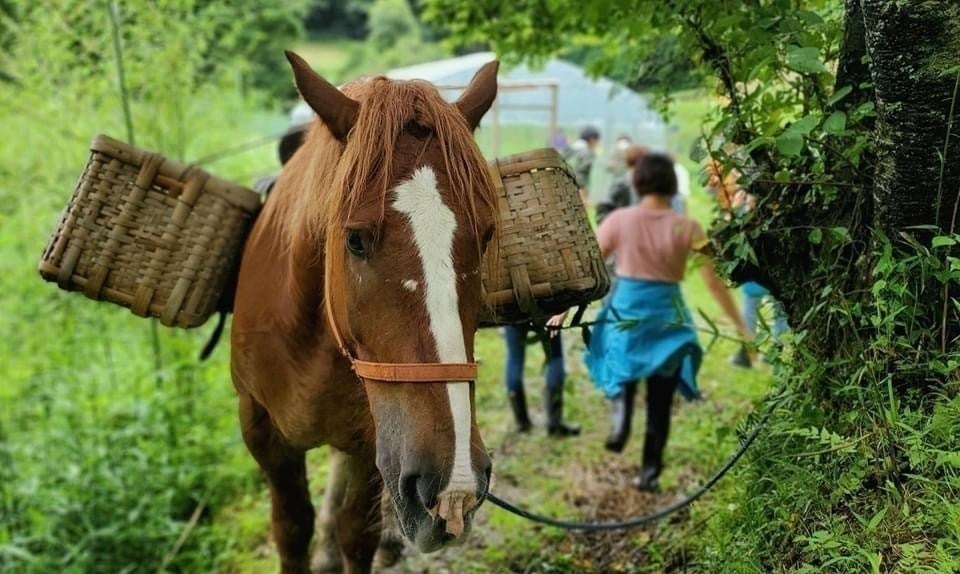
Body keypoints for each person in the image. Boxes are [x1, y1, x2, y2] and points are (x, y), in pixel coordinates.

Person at [548, 153, 752, 491]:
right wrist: (741, 325)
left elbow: (591, 274)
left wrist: (565, 309)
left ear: (637, 183)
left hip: (627, 308)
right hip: (667, 314)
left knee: (621, 365)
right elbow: (715, 283)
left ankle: (621, 422)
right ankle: (649, 473)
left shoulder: (618, 221)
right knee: (660, 398)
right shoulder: (688, 227)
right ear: (672, 186)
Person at [705, 159, 789, 367]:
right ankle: (775, 350)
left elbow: (725, 234)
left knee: (756, 307)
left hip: (757, 271)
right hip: (770, 271)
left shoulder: (743, 207)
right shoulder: (773, 207)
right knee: (776, 308)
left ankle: (753, 350)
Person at [503, 323, 580, 437]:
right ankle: (554, 425)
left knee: (515, 358)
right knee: (555, 356)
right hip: (544, 311)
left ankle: (522, 423)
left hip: (511, 310)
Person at [564, 126, 601, 207]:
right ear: (592, 139)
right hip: (578, 187)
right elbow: (581, 172)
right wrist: (583, 192)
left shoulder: (570, 149)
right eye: (597, 141)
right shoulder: (587, 152)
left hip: (563, 185)